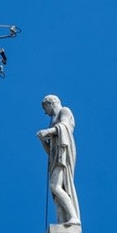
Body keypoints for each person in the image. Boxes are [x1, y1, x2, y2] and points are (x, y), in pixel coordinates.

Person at [38, 95, 79, 225]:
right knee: (57, 191)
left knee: (55, 186)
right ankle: (62, 221)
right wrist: (43, 141)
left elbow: (65, 126)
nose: (45, 112)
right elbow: (50, 151)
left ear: (52, 103)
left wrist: (47, 132)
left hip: (64, 152)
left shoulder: (64, 111)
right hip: (56, 155)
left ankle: (74, 217)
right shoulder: (52, 121)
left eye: (45, 108)